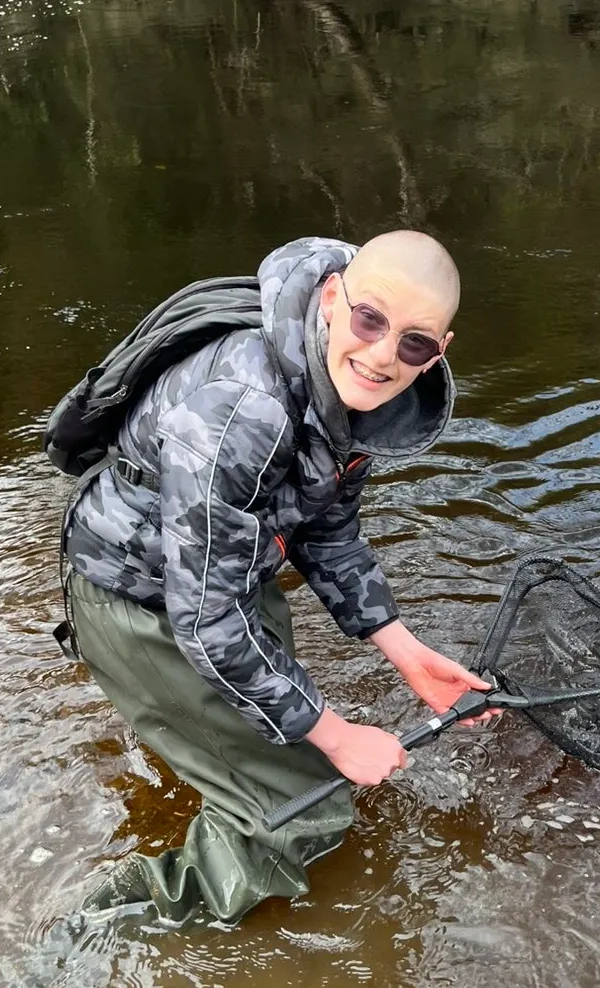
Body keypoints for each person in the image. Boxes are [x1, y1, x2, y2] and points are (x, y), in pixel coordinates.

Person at [63, 230, 490, 927]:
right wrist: (337, 733)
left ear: (439, 350)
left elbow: (328, 531)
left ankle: (222, 773)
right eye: (369, 320)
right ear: (332, 298)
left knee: (280, 736)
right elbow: (205, 618)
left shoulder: (350, 392)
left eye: (413, 343)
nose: (383, 355)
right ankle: (102, 934)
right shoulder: (243, 407)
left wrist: (407, 652)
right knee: (304, 811)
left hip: (224, 573)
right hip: (139, 599)